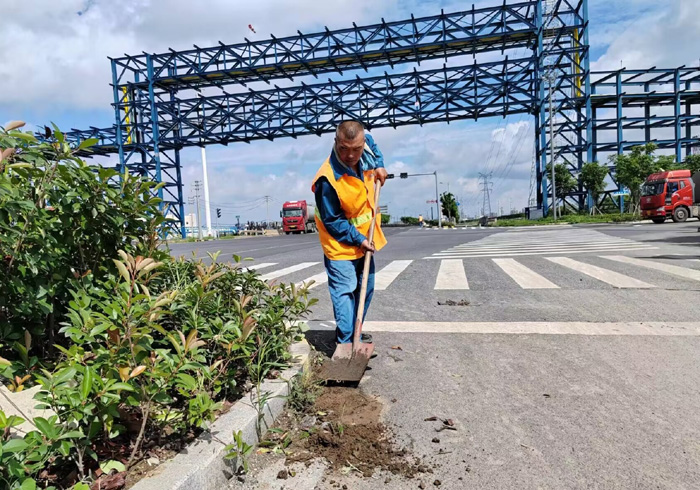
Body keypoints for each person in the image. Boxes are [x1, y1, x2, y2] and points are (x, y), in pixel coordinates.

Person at [312, 121, 388, 345]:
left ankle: (356, 333)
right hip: (339, 244)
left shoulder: (366, 148)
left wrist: (380, 165)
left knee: (366, 289)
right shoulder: (327, 179)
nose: (351, 155)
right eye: (344, 148)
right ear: (336, 142)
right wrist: (358, 239)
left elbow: (371, 142)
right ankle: (345, 344)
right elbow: (333, 220)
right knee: (345, 292)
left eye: (356, 149)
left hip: (365, 239)